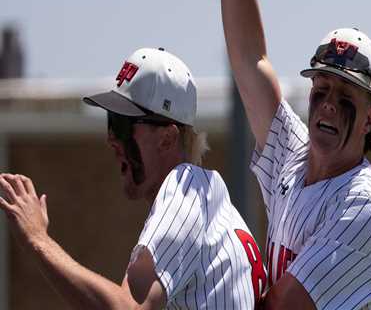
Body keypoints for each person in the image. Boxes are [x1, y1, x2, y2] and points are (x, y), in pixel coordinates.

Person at [0, 47, 267, 309]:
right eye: (111, 121)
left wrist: (37, 239)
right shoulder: (211, 200)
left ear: (167, 138)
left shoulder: (184, 189)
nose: (111, 138)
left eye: (123, 124)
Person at [221, 0, 371, 309]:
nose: (328, 104)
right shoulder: (294, 154)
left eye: (345, 95)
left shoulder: (364, 202)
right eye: (322, 88)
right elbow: (249, 60)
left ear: (369, 120)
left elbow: (279, 306)